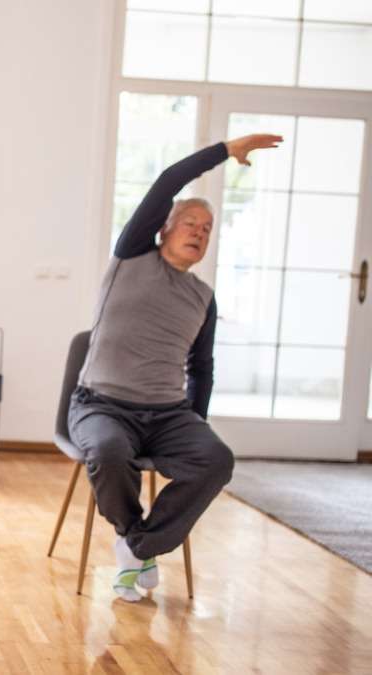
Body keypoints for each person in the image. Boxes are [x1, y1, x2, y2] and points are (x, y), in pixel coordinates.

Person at [71, 132, 282, 602]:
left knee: (217, 460)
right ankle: (134, 539)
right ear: (164, 228)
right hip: (102, 406)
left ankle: (137, 545)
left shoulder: (203, 298)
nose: (199, 232)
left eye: (207, 230)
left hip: (167, 415)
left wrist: (196, 425)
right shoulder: (131, 256)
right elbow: (168, 180)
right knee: (107, 452)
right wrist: (226, 151)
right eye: (190, 222)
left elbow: (201, 368)